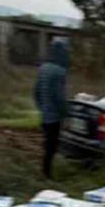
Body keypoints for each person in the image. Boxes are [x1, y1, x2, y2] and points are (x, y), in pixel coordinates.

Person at [34, 41, 70, 179]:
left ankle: (45, 172)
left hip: (45, 115)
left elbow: (36, 92)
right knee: (52, 147)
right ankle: (47, 175)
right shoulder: (60, 72)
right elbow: (59, 97)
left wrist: (41, 107)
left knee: (48, 145)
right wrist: (65, 115)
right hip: (54, 116)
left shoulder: (43, 68)